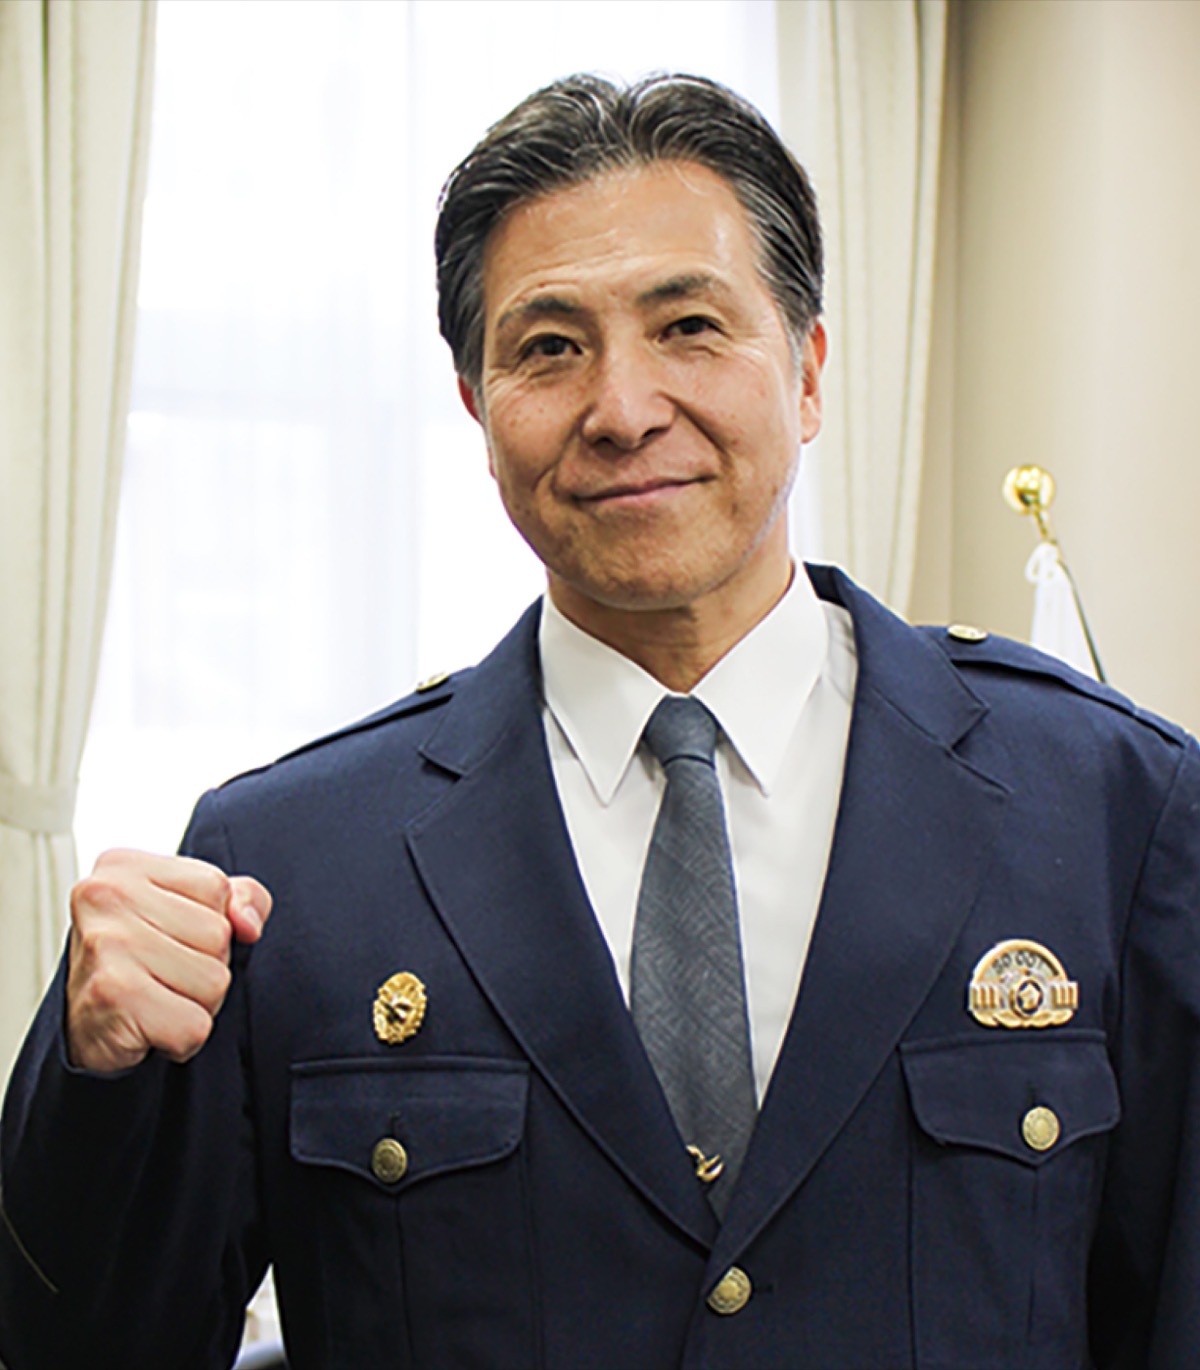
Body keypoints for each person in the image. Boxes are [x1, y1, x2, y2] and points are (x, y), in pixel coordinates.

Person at [2, 72, 1198, 1370]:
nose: (624, 409)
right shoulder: (289, 863)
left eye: (689, 326)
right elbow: (82, 1341)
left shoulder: (1110, 810)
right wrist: (91, 1074)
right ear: (479, 409)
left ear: (807, 371)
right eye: (549, 347)